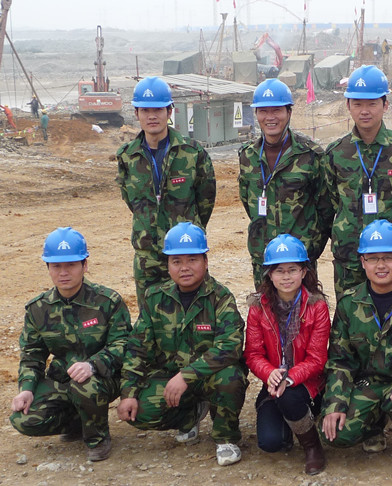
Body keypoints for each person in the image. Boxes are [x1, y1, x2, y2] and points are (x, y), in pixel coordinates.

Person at [117, 222, 247, 467]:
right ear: (168, 265)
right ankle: (190, 416)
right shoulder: (155, 298)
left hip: (208, 376)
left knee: (231, 378)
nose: (184, 268)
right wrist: (128, 393)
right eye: (176, 261)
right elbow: (137, 348)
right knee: (140, 412)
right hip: (170, 377)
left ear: (205, 262)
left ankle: (226, 438)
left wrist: (187, 375)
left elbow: (230, 347)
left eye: (192, 260)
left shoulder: (220, 297)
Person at [10, 227, 131, 462]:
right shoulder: (38, 309)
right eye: (56, 266)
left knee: (85, 385)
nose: (63, 272)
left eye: (71, 265)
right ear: (48, 268)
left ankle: (97, 438)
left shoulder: (107, 301)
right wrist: (26, 388)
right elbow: (32, 355)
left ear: (84, 265)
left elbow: (123, 344)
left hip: (104, 378)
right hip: (64, 379)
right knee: (23, 418)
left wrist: (93, 365)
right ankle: (77, 423)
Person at [321, 219, 392, 472]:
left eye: (388, 257)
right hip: (368, 384)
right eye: (372, 258)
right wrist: (335, 403)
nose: (381, 265)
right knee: (336, 434)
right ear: (363, 262)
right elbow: (340, 360)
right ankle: (373, 426)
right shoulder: (349, 304)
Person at [116, 76, 216, 308]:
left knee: (193, 312)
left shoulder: (192, 152)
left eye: (158, 110)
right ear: (136, 113)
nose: (152, 116)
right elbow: (131, 201)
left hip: (186, 252)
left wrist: (188, 227)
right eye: (146, 110)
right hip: (148, 256)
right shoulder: (127, 156)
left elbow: (206, 200)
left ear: (169, 111)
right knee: (150, 317)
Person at [323, 65, 392, 299]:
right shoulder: (336, 153)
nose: (364, 111)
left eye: (372, 103)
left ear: (385, 105)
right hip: (350, 256)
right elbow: (330, 203)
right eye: (357, 104)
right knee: (351, 313)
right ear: (348, 105)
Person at [244, 234, 331, 475]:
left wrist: (290, 378)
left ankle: (312, 447)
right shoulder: (258, 306)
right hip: (273, 382)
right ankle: (293, 420)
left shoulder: (316, 305)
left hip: (307, 382)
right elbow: (253, 353)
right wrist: (270, 373)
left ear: (304, 272)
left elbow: (317, 359)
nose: (286, 277)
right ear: (269, 274)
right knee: (270, 442)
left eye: (292, 269)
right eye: (279, 271)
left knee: (289, 397)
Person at [238, 78, 329, 287]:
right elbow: (248, 202)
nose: (270, 117)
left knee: (306, 308)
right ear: (256, 114)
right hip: (264, 259)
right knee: (266, 308)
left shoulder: (311, 155)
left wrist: (311, 247)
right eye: (263, 111)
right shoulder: (247, 156)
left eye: (277, 110)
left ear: (289, 112)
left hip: (300, 260)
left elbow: (325, 209)